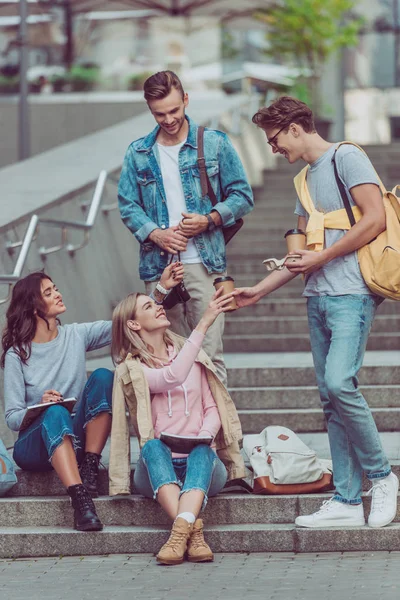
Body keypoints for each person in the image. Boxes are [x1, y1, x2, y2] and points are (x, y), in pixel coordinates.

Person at [234, 96, 398, 529]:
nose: (273, 148)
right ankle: (345, 499)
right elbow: (302, 252)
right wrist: (259, 291)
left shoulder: (348, 156)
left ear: (293, 127)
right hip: (318, 297)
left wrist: (321, 259)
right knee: (329, 400)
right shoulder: (304, 181)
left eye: (274, 139)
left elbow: (377, 218)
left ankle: (382, 477)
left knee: (339, 383)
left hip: (351, 292)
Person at [1, 264, 184, 532]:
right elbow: (12, 419)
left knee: (102, 376)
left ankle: (88, 465)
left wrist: (162, 289)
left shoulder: (75, 335)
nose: (58, 294)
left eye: (56, 289)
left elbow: (124, 323)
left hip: (74, 438)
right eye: (49, 292)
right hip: (34, 447)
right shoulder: (18, 355)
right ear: (32, 306)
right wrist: (39, 405)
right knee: (55, 412)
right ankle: (80, 499)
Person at [118, 70, 254, 385]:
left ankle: (217, 434)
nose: (168, 119)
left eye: (174, 111)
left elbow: (242, 196)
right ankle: (177, 433)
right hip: (159, 268)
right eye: (159, 114)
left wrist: (209, 220)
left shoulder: (215, 143)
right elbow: (128, 205)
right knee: (165, 359)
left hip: (206, 265)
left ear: (186, 101)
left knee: (209, 357)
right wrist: (156, 233)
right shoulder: (138, 153)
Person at [110, 287, 247, 565]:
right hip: (158, 470)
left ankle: (179, 536)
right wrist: (204, 322)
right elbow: (171, 376)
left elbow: (212, 408)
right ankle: (192, 532)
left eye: (155, 304)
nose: (159, 307)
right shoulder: (133, 369)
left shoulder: (192, 356)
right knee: (152, 446)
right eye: (148, 307)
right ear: (134, 324)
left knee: (202, 450)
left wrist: (205, 435)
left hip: (204, 465)